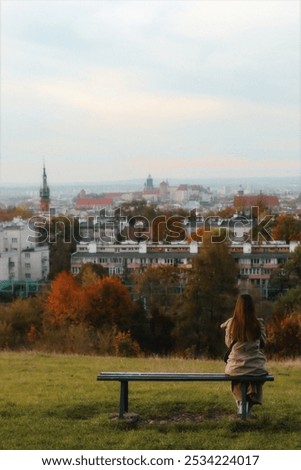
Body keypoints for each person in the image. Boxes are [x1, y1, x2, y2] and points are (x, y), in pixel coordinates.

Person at [220, 293, 268, 416]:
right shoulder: (258, 323)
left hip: (236, 366)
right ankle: (249, 405)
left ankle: (241, 403)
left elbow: (228, 344)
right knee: (252, 373)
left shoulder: (231, 324)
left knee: (238, 374)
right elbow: (263, 344)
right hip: (256, 366)